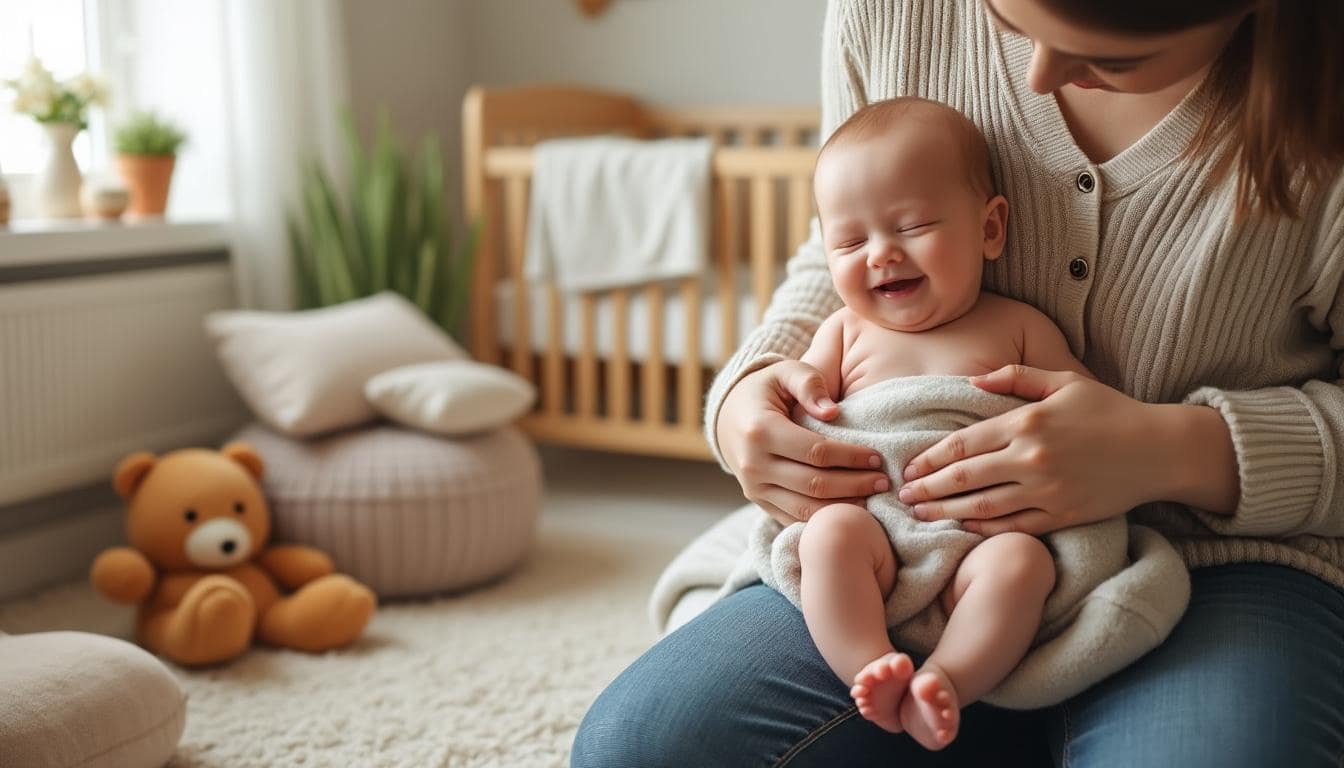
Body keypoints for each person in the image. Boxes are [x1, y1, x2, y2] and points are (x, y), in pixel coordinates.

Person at [573, 0, 1344, 765]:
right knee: (636, 748)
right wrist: (754, 390)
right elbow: (830, 263)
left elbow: (1061, 388)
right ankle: (909, 689)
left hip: (1220, 554)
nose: (1038, 73)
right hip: (885, 534)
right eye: (1009, 22)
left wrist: (1169, 451)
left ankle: (967, 688)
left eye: (1113, 58)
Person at [776, 95, 1103, 749]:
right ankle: (872, 668)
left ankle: (948, 681)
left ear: (990, 229)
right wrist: (786, 401)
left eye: (913, 225)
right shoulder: (842, 332)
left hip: (983, 534)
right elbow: (797, 403)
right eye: (849, 239)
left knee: (1021, 565)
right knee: (828, 537)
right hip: (874, 525)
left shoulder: (1019, 325)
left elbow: (1088, 414)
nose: (880, 255)